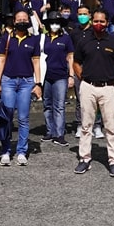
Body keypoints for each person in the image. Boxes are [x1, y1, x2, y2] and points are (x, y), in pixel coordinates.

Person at [73, 8, 114, 177]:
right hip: (88, 87)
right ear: (92, 21)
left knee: (111, 126)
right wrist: (83, 77)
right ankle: (84, 159)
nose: (98, 24)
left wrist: (113, 78)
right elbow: (76, 62)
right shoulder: (84, 41)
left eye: (101, 21)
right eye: (96, 21)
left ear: (107, 22)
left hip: (108, 88)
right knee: (86, 125)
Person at [0, 10, 42, 166]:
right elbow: (1, 61)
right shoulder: (6, 39)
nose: (22, 21)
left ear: (29, 21)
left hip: (26, 82)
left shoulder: (34, 40)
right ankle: (6, 150)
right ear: (14, 21)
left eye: (25, 19)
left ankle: (21, 151)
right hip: (8, 80)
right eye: (19, 19)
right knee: (7, 117)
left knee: (23, 118)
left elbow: (36, 63)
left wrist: (38, 83)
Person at [40, 12, 74, 147]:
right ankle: (50, 131)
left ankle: (59, 134)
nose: (54, 25)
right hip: (46, 76)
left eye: (57, 22)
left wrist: (71, 75)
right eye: (52, 22)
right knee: (47, 105)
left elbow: (70, 56)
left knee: (59, 106)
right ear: (48, 25)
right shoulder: (43, 39)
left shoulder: (66, 38)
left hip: (61, 76)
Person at [70, 4, 103, 139]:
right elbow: (70, 54)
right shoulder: (74, 33)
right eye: (80, 14)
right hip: (79, 68)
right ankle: (80, 124)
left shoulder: (94, 31)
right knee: (80, 99)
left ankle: (97, 125)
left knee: (98, 100)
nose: (82, 16)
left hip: (95, 68)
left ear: (90, 16)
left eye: (85, 14)